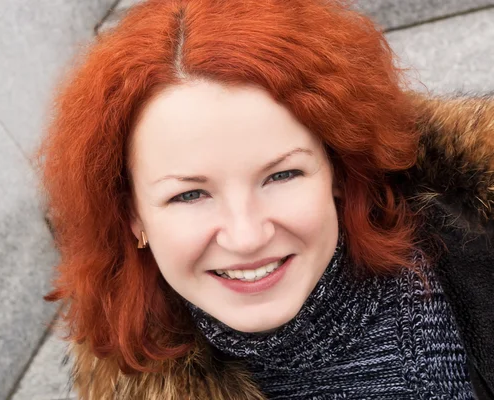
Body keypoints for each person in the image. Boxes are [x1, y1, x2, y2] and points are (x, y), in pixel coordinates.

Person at [38, 0, 494, 398]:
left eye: (281, 175)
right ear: (132, 215)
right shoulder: (121, 370)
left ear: (339, 169)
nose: (246, 235)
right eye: (190, 194)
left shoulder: (476, 255)